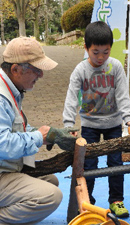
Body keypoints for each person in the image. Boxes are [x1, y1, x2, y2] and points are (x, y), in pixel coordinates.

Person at [62, 21, 130, 218]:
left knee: (115, 162)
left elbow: (123, 94)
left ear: (110, 49)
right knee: (89, 165)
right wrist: (68, 125)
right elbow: (71, 98)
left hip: (113, 124)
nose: (100, 57)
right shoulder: (80, 70)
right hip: (89, 125)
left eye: (105, 52)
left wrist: (128, 119)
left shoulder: (115, 67)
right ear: (86, 48)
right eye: (95, 52)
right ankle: (88, 202)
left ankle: (116, 201)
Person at [0, 37, 77, 224]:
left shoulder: (11, 88)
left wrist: (51, 135)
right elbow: (2, 144)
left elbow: (14, 129)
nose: (41, 75)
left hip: (6, 167)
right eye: (36, 69)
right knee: (50, 196)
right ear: (15, 69)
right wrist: (38, 137)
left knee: (50, 182)